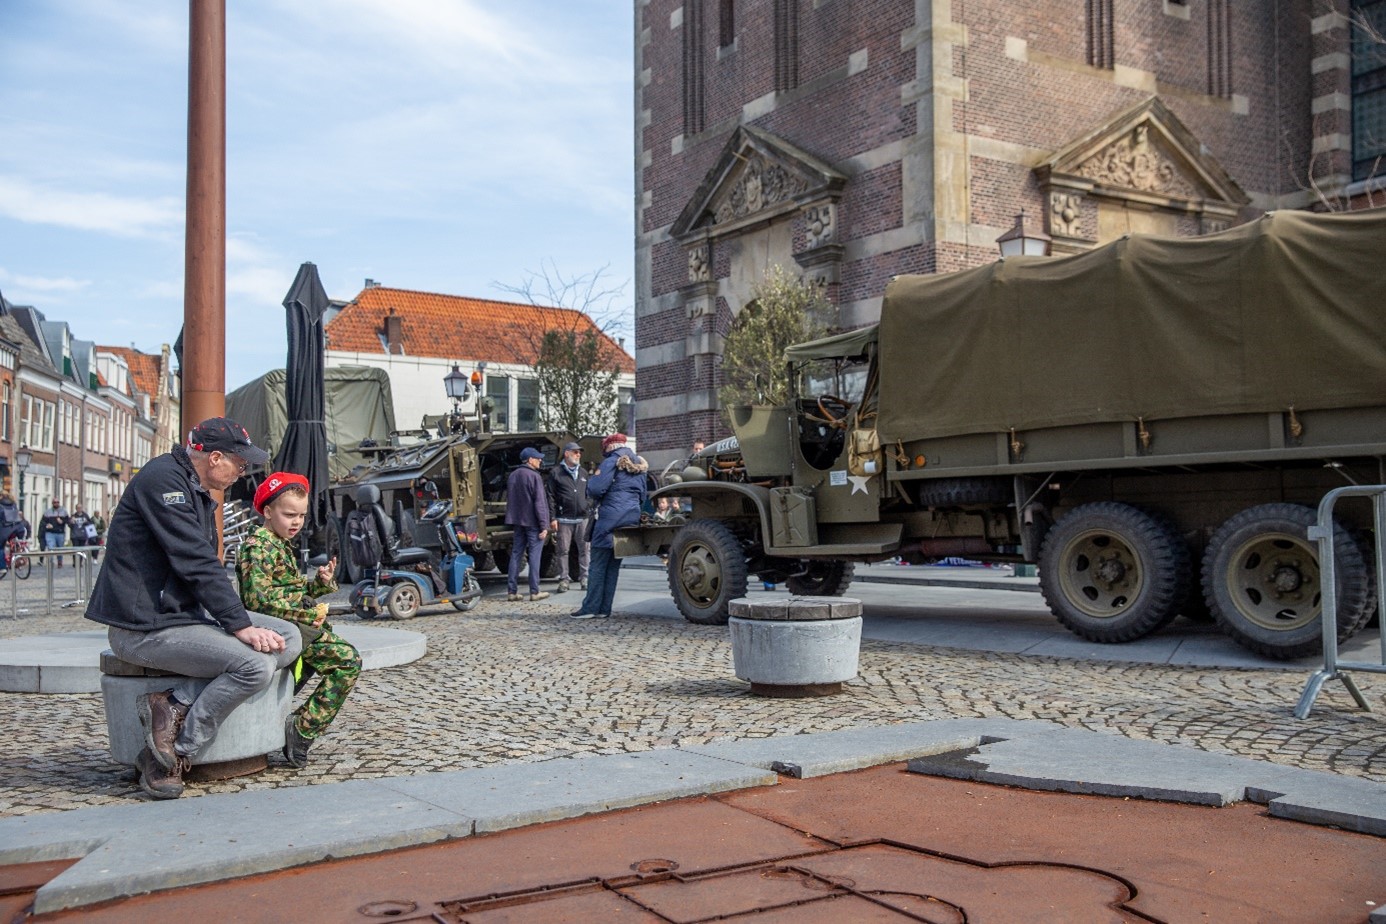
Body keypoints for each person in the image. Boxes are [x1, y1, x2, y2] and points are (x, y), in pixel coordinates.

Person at [85, 417, 302, 800]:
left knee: (290, 637)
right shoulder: (163, 481)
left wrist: (233, 620)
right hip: (144, 627)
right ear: (214, 457)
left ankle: (174, 702)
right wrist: (239, 625)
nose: (243, 471)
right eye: (240, 462)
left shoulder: (193, 487)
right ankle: (173, 755)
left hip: (181, 617)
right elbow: (195, 561)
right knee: (254, 665)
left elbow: (202, 568)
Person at [236, 472, 358, 768]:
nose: (296, 522)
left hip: (297, 627)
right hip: (284, 630)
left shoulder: (278, 543)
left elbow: (289, 591)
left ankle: (277, 729)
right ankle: (301, 730)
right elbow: (258, 600)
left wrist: (320, 584)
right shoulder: (259, 546)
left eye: (301, 516)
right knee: (347, 661)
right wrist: (307, 613)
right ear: (267, 511)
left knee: (295, 680)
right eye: (289, 514)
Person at [571, 433, 647, 620]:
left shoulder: (611, 462)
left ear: (609, 447)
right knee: (613, 566)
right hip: (630, 517)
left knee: (597, 564)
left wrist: (590, 485)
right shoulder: (639, 463)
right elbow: (643, 494)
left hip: (609, 519)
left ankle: (590, 608)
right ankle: (605, 608)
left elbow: (596, 489)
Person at [505, 447, 551, 602]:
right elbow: (540, 503)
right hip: (533, 522)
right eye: (538, 458)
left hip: (518, 521)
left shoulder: (513, 475)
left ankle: (511, 591)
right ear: (530, 460)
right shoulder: (534, 476)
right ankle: (534, 591)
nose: (540, 461)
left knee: (516, 554)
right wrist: (544, 525)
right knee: (534, 556)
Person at [547, 442, 590, 594]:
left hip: (582, 518)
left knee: (584, 550)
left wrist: (588, 508)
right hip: (563, 518)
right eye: (575, 452)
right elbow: (550, 496)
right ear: (566, 453)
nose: (579, 455)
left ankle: (585, 577)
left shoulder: (584, 473)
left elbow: (588, 494)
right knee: (562, 551)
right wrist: (552, 517)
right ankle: (564, 580)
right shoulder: (556, 473)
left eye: (579, 452)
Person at [39, 498, 69, 567]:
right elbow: (43, 522)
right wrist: (47, 525)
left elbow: (67, 520)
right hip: (50, 532)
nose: (56, 503)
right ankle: (51, 562)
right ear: (52, 503)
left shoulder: (63, 511)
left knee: (60, 548)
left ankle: (60, 561)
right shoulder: (48, 512)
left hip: (60, 532)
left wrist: (62, 521)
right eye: (54, 502)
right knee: (50, 547)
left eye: (57, 502)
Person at [0, 493, 23, 574]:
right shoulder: (14, 504)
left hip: (6, 529)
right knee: (15, 543)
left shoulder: (1, 506)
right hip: (18, 528)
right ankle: (18, 559)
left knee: (0, 546)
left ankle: (2, 567)